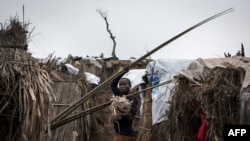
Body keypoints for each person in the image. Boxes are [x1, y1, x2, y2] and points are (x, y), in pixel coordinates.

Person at [110, 70, 137, 141]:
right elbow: (113, 84)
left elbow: (131, 117)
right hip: (119, 134)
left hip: (126, 135)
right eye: (120, 85)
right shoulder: (118, 96)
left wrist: (120, 109)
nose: (122, 86)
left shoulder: (131, 98)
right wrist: (122, 72)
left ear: (130, 86)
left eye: (125, 84)